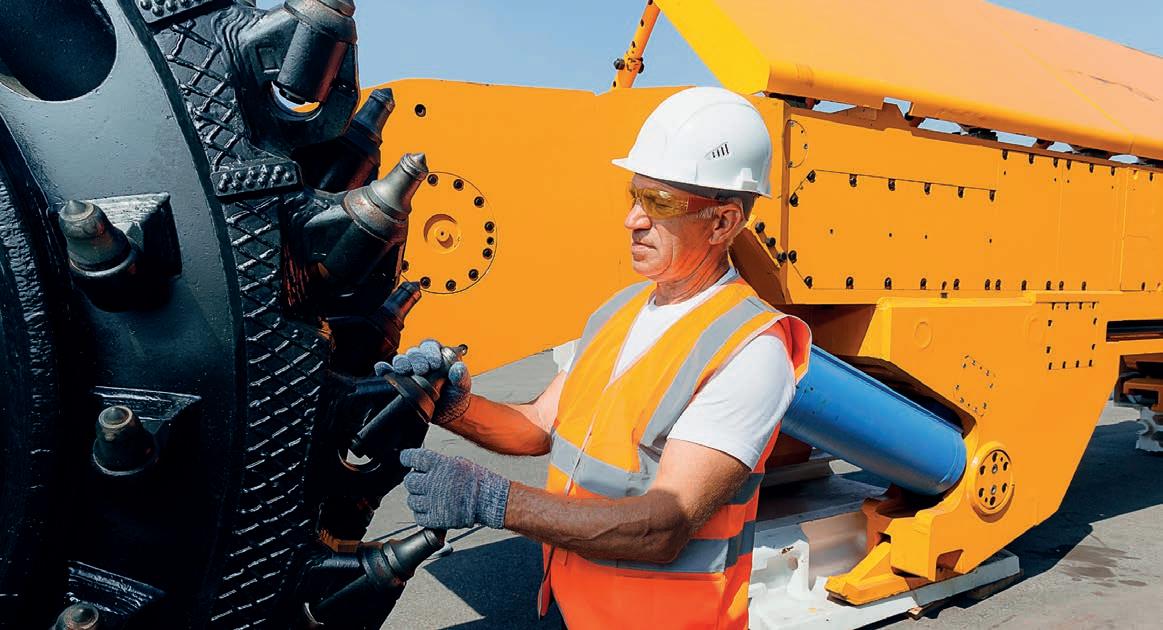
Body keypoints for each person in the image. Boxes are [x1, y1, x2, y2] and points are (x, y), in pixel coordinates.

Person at [387, 87, 811, 629]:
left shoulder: (750, 351)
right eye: (634, 196)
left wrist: (494, 501)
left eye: (659, 203)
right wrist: (448, 405)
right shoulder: (618, 311)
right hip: (578, 608)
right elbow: (538, 426)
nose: (633, 219)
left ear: (723, 222)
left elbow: (664, 526)